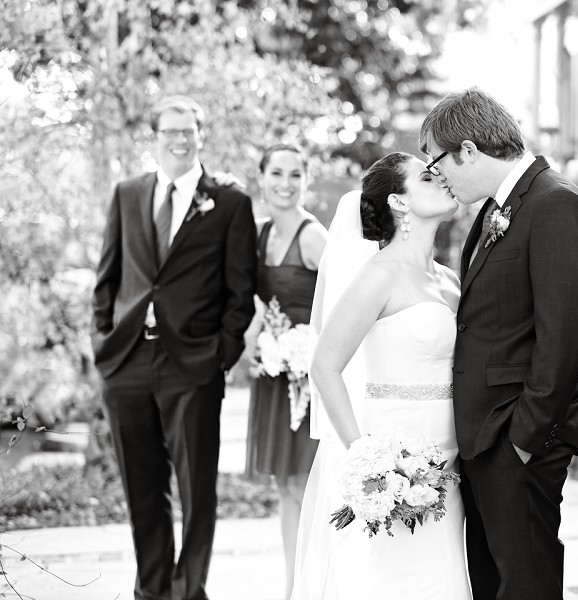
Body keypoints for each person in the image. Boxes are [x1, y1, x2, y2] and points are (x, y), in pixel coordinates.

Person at [419, 88, 578, 600]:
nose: (440, 177)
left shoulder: (555, 204)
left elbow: (562, 339)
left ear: (469, 150)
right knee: (495, 583)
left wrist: (523, 439)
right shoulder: (498, 209)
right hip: (486, 437)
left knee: (527, 585)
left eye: (438, 162)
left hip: (516, 438)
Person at [91, 95, 257, 600]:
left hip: (194, 363)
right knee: (143, 487)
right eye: (170, 131)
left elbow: (240, 291)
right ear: (155, 136)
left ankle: (189, 591)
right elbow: (107, 278)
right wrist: (103, 343)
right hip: (128, 361)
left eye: (188, 130)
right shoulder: (127, 193)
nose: (180, 140)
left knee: (196, 488)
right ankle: (152, 589)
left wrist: (219, 356)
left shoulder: (229, 201)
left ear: (200, 134)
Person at [291, 152, 470, 600]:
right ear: (399, 202)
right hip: (396, 457)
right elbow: (325, 365)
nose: (443, 180)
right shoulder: (379, 275)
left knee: (443, 576)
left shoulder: (449, 280)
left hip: (450, 458)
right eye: (428, 177)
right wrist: (365, 456)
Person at [242, 144, 327, 599]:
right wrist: (254, 345)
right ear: (262, 177)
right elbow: (260, 305)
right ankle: (294, 584)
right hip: (275, 376)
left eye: (296, 175)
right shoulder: (258, 235)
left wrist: (307, 349)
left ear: (306, 181)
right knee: (286, 487)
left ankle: (314, 584)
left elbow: (340, 306)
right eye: (277, 173)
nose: (286, 183)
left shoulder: (314, 238)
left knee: (308, 484)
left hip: (309, 380)